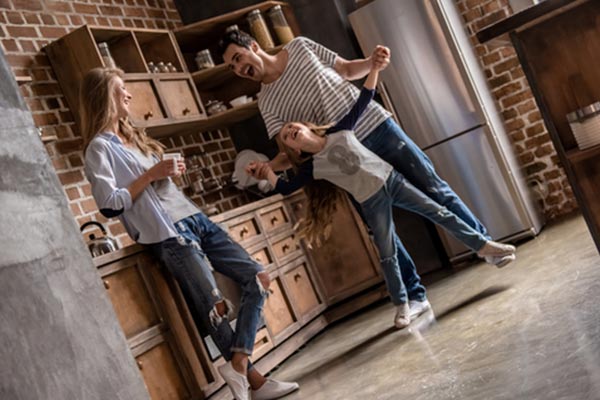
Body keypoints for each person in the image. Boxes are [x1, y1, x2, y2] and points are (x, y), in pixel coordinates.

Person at [219, 30, 516, 321]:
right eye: (231, 67)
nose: (237, 68)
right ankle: (415, 297)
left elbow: (347, 69)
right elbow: (290, 152)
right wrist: (268, 167)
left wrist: (371, 63)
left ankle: (484, 245)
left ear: (253, 46)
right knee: (382, 233)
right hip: (347, 160)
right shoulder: (266, 103)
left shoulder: (299, 47)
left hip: (376, 127)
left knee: (434, 188)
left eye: (237, 58)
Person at [80, 67, 299, 400]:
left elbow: (153, 184)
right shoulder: (99, 148)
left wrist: (166, 173)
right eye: (121, 89)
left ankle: (238, 365)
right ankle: (256, 383)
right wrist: (152, 173)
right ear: (104, 97)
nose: (128, 94)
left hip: (195, 219)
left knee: (258, 277)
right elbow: (109, 205)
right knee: (216, 309)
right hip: (169, 235)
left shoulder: (133, 134)